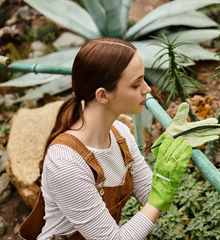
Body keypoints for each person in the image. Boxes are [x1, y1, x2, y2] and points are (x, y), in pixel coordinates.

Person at [32, 38, 193, 239]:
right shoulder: (65, 164)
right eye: (136, 85)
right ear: (102, 95)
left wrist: (164, 173)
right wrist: (160, 195)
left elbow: (148, 196)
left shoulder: (120, 133)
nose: (148, 89)